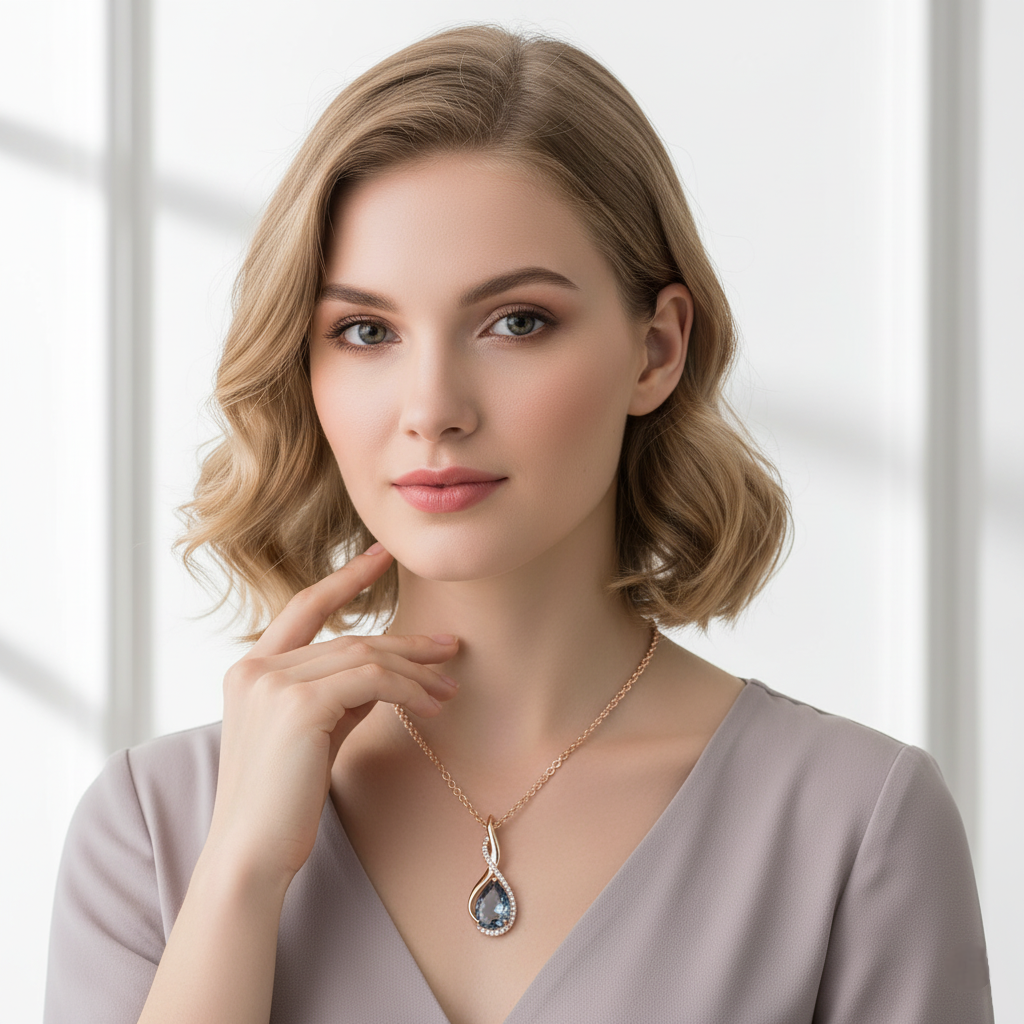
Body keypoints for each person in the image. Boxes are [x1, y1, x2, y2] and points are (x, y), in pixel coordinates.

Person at [43, 23, 994, 1024]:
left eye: (516, 322)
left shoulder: (853, 822)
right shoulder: (155, 829)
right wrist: (237, 875)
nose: (432, 407)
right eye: (365, 331)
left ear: (655, 350)